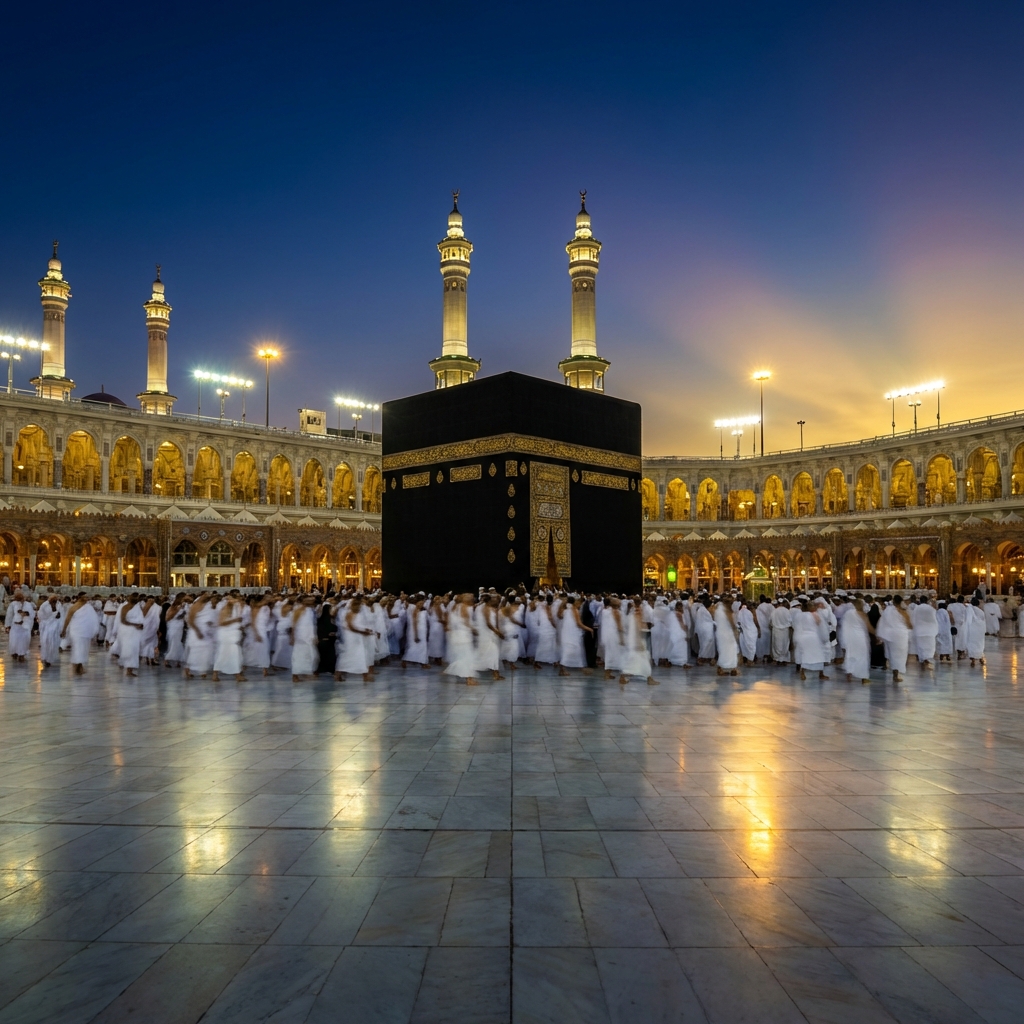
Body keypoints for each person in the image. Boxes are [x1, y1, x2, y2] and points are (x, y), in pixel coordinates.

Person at [619, 598, 657, 685]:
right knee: (641, 660)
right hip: (636, 641)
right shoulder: (635, 615)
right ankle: (649, 678)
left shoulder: (633, 614)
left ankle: (648, 677)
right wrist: (638, 641)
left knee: (638, 661)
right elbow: (635, 630)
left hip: (635, 641)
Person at [335, 595, 373, 682]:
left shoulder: (358, 614)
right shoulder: (349, 614)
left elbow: (359, 624)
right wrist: (362, 632)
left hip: (358, 638)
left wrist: (366, 629)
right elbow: (350, 626)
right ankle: (338, 674)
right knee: (348, 655)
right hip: (351, 638)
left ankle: (365, 675)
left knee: (361, 655)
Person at [444, 593, 478, 683]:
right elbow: (465, 621)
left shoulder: (457, 606)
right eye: (470, 597)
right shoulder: (463, 607)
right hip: (464, 634)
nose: (472, 598)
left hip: (458, 634)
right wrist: (473, 629)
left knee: (463, 656)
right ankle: (469, 678)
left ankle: (467, 676)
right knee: (467, 656)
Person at [877, 594, 912, 682]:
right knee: (900, 655)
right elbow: (909, 624)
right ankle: (897, 673)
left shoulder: (887, 610)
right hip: (900, 636)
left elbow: (882, 621)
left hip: (890, 635)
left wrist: (880, 634)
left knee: (893, 655)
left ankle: (894, 672)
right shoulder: (903, 612)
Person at [62, 593, 100, 674]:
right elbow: (67, 619)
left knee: (83, 650)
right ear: (80, 597)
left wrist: (94, 630)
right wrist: (64, 630)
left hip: (85, 632)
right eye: (85, 597)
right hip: (76, 631)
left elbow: (93, 619)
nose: (87, 598)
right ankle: (77, 667)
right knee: (78, 649)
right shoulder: (74, 607)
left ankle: (80, 665)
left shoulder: (89, 607)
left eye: (87, 597)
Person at [212, 595, 246, 683]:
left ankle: (235, 674)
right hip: (226, 636)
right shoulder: (225, 609)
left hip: (232, 635)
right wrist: (235, 620)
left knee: (233, 655)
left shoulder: (235, 608)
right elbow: (221, 622)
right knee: (228, 654)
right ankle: (237, 675)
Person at [839, 598, 873, 683]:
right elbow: (869, 627)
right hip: (860, 638)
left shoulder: (848, 613)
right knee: (862, 657)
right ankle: (863, 677)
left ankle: (849, 674)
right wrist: (877, 634)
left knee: (850, 655)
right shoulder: (862, 614)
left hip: (850, 638)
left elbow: (844, 626)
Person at [558, 596, 591, 675]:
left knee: (567, 649)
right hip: (573, 632)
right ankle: (580, 667)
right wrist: (589, 629)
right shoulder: (574, 610)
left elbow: (559, 616)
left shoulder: (564, 610)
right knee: (576, 648)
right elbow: (578, 623)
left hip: (565, 632)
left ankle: (564, 668)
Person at [291, 597, 319, 682]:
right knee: (299, 656)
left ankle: (307, 672)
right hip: (300, 636)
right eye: (309, 600)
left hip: (309, 636)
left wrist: (314, 635)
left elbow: (312, 624)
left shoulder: (310, 610)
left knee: (312, 655)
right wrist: (292, 636)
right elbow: (294, 624)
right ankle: (295, 675)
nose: (311, 602)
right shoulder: (298, 610)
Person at [476, 594, 504, 680]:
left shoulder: (493, 609)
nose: (496, 600)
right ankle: (495, 673)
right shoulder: (486, 609)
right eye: (494, 599)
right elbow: (488, 623)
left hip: (493, 634)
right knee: (493, 652)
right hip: (488, 634)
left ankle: (496, 673)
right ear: (489, 600)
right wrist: (497, 632)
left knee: (494, 653)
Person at [118, 594, 146, 677]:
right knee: (129, 650)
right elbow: (123, 620)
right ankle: (128, 669)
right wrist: (135, 624)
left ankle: (129, 668)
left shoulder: (137, 607)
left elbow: (140, 618)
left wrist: (141, 625)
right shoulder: (125, 607)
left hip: (136, 631)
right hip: (128, 630)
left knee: (134, 650)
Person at [5, 590, 35, 661]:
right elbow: (9, 615)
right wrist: (8, 625)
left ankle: (22, 654)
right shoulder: (13, 604)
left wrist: (26, 614)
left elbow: (32, 614)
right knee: (14, 641)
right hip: (15, 625)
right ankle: (15, 652)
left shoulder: (28, 604)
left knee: (24, 641)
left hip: (25, 626)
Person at [713, 598, 740, 677]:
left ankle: (723, 668)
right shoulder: (726, 611)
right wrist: (735, 631)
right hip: (727, 633)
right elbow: (731, 623)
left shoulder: (717, 609)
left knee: (723, 650)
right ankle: (732, 668)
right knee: (732, 649)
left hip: (720, 632)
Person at [37, 594, 63, 668]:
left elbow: (61, 615)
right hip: (46, 626)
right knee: (45, 643)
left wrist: (61, 627)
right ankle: (44, 658)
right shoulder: (44, 605)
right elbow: (40, 615)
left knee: (53, 644)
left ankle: (49, 659)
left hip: (55, 627)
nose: (54, 601)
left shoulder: (59, 604)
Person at [403, 595, 430, 668]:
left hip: (423, 630)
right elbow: (414, 623)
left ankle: (423, 662)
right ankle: (405, 660)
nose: (421, 605)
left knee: (423, 647)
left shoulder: (423, 610)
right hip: (417, 631)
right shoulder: (415, 610)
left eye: (422, 603)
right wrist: (416, 635)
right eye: (420, 603)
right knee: (414, 647)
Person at [914, 597, 939, 669]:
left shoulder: (917, 608)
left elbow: (914, 618)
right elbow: (934, 619)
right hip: (929, 630)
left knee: (921, 646)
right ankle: (927, 658)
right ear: (927, 601)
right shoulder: (931, 609)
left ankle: (922, 659)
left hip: (919, 630)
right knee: (929, 646)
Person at [164, 596, 187, 667]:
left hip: (180, 627)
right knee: (173, 644)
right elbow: (168, 618)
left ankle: (178, 661)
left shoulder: (183, 607)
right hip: (174, 627)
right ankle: (167, 660)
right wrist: (178, 610)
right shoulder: (173, 608)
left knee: (178, 643)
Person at [736, 599, 759, 665]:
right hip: (750, 631)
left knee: (746, 645)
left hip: (745, 631)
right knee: (750, 646)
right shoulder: (751, 611)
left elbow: (738, 622)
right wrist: (759, 629)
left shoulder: (740, 612)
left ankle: (749, 659)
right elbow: (755, 621)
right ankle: (750, 660)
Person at [770, 600, 793, 664]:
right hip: (785, 630)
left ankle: (777, 659)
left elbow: (770, 620)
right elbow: (790, 621)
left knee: (776, 645)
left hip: (776, 630)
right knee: (785, 644)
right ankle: (784, 659)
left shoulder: (774, 611)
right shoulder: (787, 611)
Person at [967, 597, 987, 666]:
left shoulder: (969, 610)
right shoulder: (981, 611)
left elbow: (968, 620)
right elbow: (983, 621)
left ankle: (973, 660)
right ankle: (980, 657)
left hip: (972, 629)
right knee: (979, 644)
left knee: (972, 643)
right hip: (980, 630)